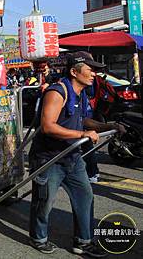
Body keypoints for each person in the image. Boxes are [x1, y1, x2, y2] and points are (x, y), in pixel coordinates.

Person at [28, 52, 124, 257]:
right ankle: (39, 237)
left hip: (72, 156)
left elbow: (85, 121)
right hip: (49, 158)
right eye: (90, 70)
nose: (94, 74)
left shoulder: (81, 93)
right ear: (74, 71)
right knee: (44, 202)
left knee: (85, 196)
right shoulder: (57, 92)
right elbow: (47, 126)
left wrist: (109, 125)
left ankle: (83, 242)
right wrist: (82, 133)